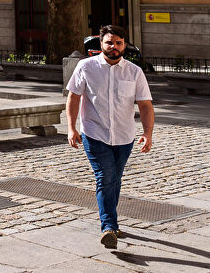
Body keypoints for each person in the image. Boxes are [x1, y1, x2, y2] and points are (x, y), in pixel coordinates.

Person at [66, 24, 155, 250]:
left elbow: (145, 105)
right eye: (109, 42)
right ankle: (108, 227)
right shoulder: (86, 67)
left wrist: (148, 133)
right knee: (105, 177)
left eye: (118, 43)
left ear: (124, 45)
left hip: (125, 136)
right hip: (95, 133)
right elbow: (74, 97)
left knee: (115, 179)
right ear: (101, 43)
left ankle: (112, 224)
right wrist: (71, 128)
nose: (113, 47)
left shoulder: (134, 72)